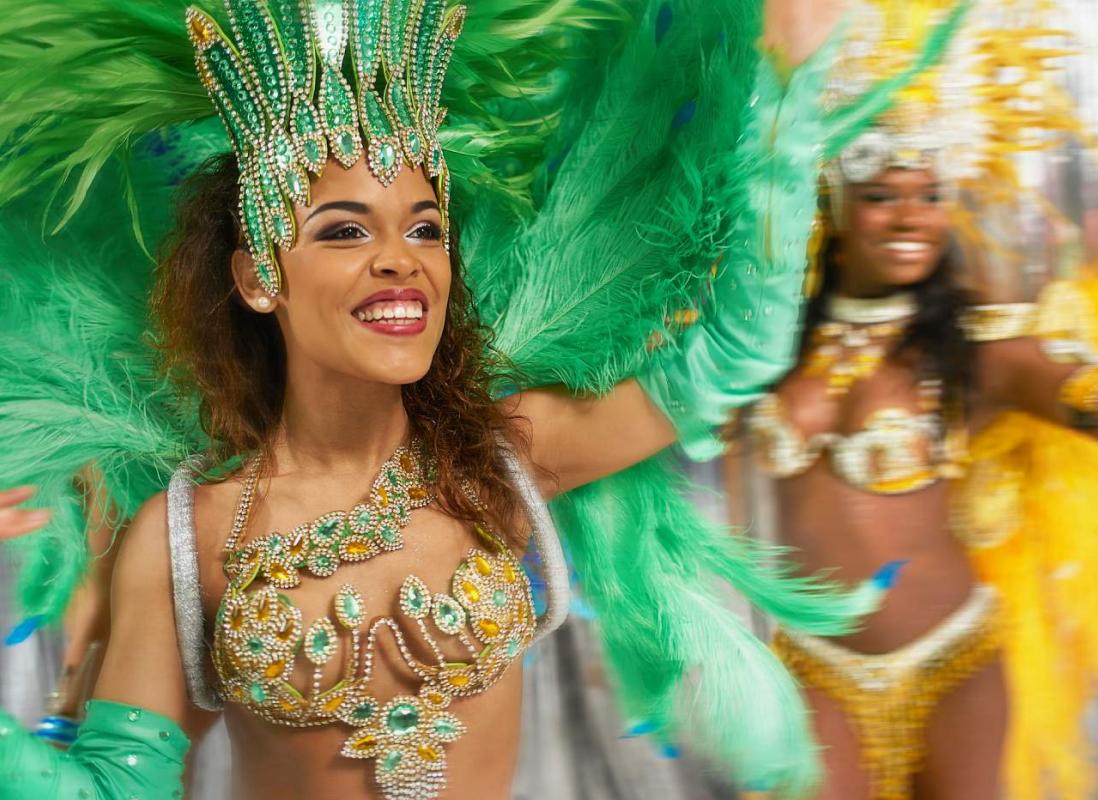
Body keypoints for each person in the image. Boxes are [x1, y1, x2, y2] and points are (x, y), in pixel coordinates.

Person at [0, 0, 967, 798]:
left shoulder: (507, 453)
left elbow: (735, 352)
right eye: (343, 231)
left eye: (425, 227)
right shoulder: (187, 534)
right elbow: (112, 788)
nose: (400, 261)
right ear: (259, 278)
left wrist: (786, 112)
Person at [732, 3, 1098, 798]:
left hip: (957, 660)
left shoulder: (982, 350)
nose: (912, 216)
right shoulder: (763, 345)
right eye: (884, 194)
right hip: (815, 658)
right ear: (838, 207)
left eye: (930, 194)